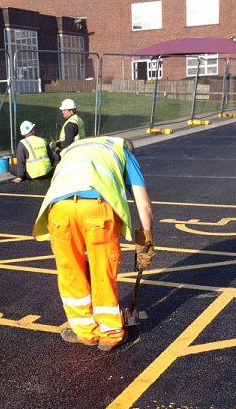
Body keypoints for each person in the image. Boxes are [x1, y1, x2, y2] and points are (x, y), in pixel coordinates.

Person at [33, 136, 155, 352]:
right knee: (102, 269)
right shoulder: (122, 151)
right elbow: (143, 204)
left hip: (59, 209)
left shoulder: (75, 148)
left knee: (71, 271)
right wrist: (145, 240)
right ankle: (110, 334)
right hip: (96, 209)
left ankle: (85, 331)